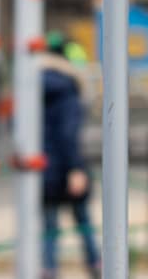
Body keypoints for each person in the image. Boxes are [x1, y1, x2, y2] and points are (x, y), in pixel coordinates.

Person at [40, 33, 98, 279]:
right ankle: (95, 265)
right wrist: (75, 167)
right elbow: (67, 132)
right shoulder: (68, 89)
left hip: (41, 166)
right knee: (83, 222)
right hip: (65, 165)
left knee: (50, 226)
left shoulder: (32, 85)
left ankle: (49, 269)